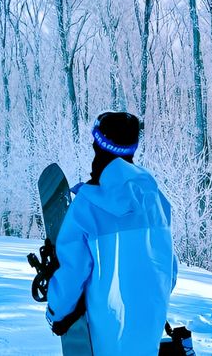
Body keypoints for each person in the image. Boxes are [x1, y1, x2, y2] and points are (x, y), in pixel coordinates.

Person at [46, 111, 178, 356]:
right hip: (148, 334)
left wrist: (56, 311)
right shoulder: (157, 201)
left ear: (99, 146)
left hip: (104, 336)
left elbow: (73, 272)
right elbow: (169, 272)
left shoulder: (86, 206)